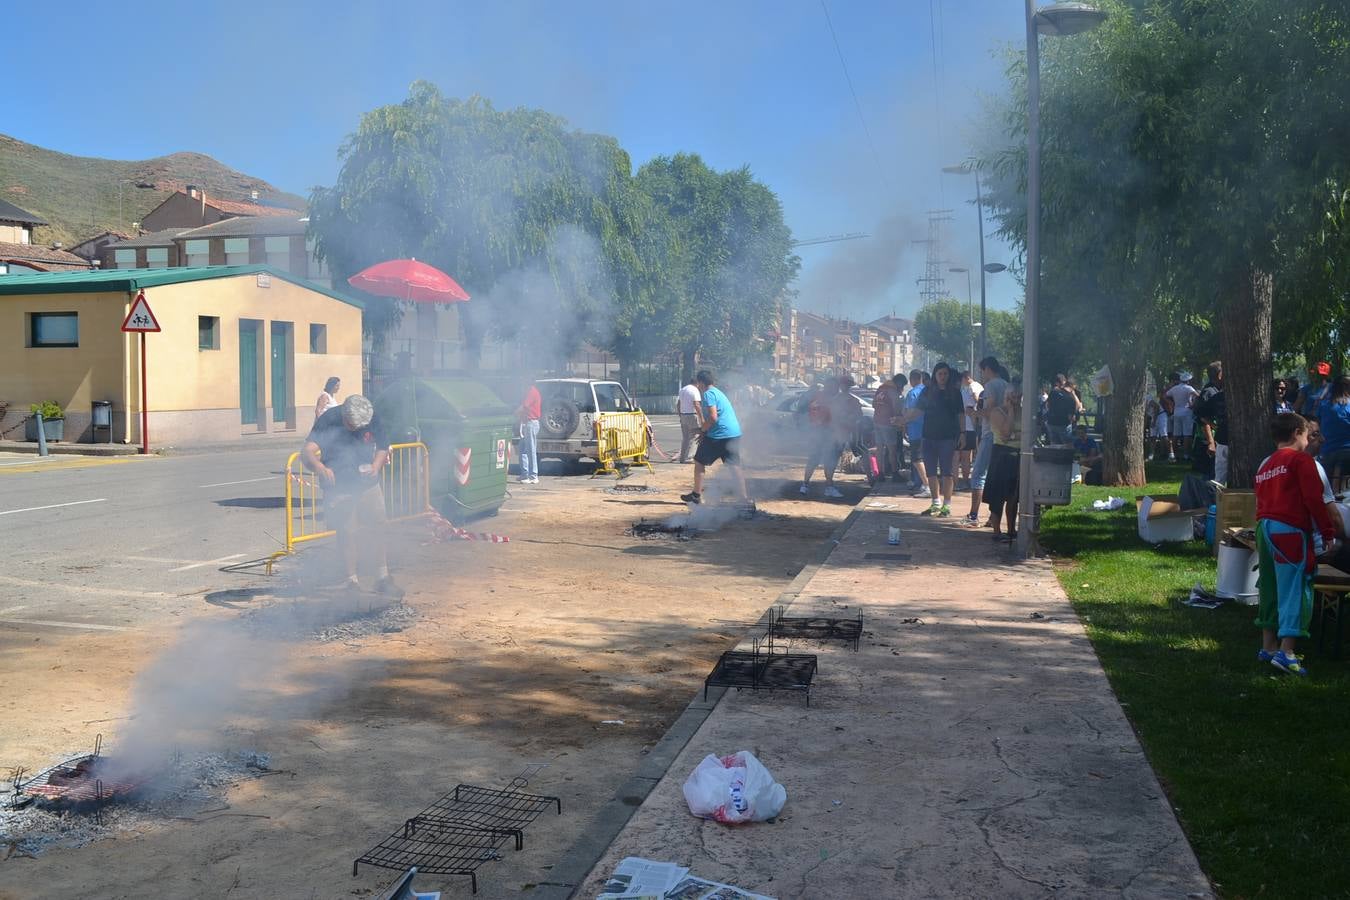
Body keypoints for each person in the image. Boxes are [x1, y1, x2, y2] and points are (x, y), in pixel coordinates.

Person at [1253, 412, 1337, 677]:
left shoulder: (1266, 464)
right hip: (1289, 528)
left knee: (1270, 586)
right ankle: (1287, 652)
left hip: (1264, 528)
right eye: (1307, 434)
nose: (1308, 440)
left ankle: (1268, 645)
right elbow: (1314, 499)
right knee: (1295, 588)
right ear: (1296, 433)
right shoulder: (1302, 461)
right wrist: (1327, 531)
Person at [302, 395, 403, 598]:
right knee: (347, 531)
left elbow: (383, 447)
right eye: (352, 425)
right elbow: (307, 452)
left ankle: (382, 578)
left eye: (360, 427)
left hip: (367, 484)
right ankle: (351, 582)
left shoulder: (372, 417)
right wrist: (321, 467)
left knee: (378, 527)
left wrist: (375, 466)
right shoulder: (329, 419)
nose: (357, 430)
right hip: (339, 486)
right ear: (344, 415)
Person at [682, 370, 748, 506]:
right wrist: (705, 432)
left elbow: (713, 417)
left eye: (698, 384)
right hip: (733, 433)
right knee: (734, 465)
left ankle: (696, 495)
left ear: (700, 383)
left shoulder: (708, 394)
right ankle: (744, 499)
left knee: (699, 461)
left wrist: (702, 430)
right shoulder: (718, 392)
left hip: (720, 435)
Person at [963, 357, 1007, 527]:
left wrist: (974, 413)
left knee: (978, 474)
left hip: (991, 433)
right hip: (1005, 435)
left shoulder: (990, 386)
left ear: (987, 369)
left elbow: (990, 410)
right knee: (996, 477)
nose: (982, 374)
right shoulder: (1005, 384)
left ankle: (973, 514)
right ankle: (993, 517)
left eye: (982, 371)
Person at [916, 362, 965, 517]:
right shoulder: (927, 391)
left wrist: (963, 433)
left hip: (947, 438)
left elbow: (961, 414)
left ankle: (947, 505)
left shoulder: (955, 393)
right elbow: (917, 410)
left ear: (948, 375)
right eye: (940, 374)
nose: (942, 377)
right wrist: (903, 419)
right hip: (928, 436)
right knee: (930, 472)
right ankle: (935, 502)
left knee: (947, 472)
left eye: (945, 374)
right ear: (935, 375)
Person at [985, 382, 1023, 543]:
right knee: (997, 495)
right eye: (1011, 396)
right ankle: (996, 530)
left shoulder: (1024, 412)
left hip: (1018, 455)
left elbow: (1032, 432)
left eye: (1017, 396)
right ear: (1006, 396)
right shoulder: (997, 412)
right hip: (1001, 455)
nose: (1014, 399)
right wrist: (1011, 411)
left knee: (1014, 496)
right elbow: (1006, 432)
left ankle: (1011, 528)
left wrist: (1015, 436)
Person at [1194, 362, 1227, 483]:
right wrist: (1211, 442)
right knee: (1211, 474)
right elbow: (1203, 419)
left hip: (1218, 437)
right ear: (1219, 375)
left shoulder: (1217, 390)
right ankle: (1207, 499)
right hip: (1209, 440)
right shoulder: (1210, 392)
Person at [1318, 374, 1350, 489]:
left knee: (1328, 491)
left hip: (1327, 453)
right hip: (1348, 451)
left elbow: (1317, 424)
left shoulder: (1324, 405)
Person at [901, 370, 929, 497]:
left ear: (912, 379)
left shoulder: (912, 393)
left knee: (917, 459)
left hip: (915, 430)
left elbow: (910, 412)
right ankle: (925, 484)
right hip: (928, 430)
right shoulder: (928, 390)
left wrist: (902, 422)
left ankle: (924, 484)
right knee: (926, 459)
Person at [872, 374, 903, 480]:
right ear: (899, 383)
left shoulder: (880, 389)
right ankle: (895, 473)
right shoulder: (892, 391)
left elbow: (873, 404)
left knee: (879, 449)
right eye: (902, 386)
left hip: (877, 422)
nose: (902, 389)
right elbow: (896, 408)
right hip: (888, 423)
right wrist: (898, 419)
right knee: (892, 450)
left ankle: (881, 474)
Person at [957, 371, 983, 491]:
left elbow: (977, 402)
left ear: (966, 378)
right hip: (969, 427)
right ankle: (965, 480)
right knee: (967, 456)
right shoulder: (971, 388)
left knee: (961, 456)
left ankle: (961, 481)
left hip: (965, 427)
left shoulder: (971, 388)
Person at [1167, 372, 1200, 461]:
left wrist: (1172, 403)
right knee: (1187, 435)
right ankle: (1186, 455)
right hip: (1186, 412)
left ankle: (1175, 454)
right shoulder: (1189, 388)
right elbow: (1198, 396)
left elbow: (1166, 395)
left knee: (1176, 434)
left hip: (1177, 412)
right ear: (1188, 381)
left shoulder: (1174, 388)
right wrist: (1192, 405)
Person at [515, 380, 542, 484]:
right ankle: (525, 474)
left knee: (530, 450)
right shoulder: (529, 391)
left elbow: (524, 406)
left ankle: (533, 476)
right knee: (523, 449)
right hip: (527, 423)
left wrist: (514, 413)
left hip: (531, 423)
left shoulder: (532, 391)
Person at [676, 377, 703, 463]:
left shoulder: (682, 389)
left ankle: (682, 458)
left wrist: (680, 415)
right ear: (697, 383)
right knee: (695, 436)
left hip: (683, 415)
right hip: (692, 414)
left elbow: (678, 404)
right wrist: (701, 417)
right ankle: (690, 457)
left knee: (685, 437)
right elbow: (697, 404)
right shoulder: (695, 390)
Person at [1045, 374, 1077, 445]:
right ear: (1073, 386)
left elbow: (1047, 405)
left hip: (1051, 423)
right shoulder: (1071, 398)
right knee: (1066, 446)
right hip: (1063, 424)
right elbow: (1070, 417)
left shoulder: (1053, 392)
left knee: (1054, 445)